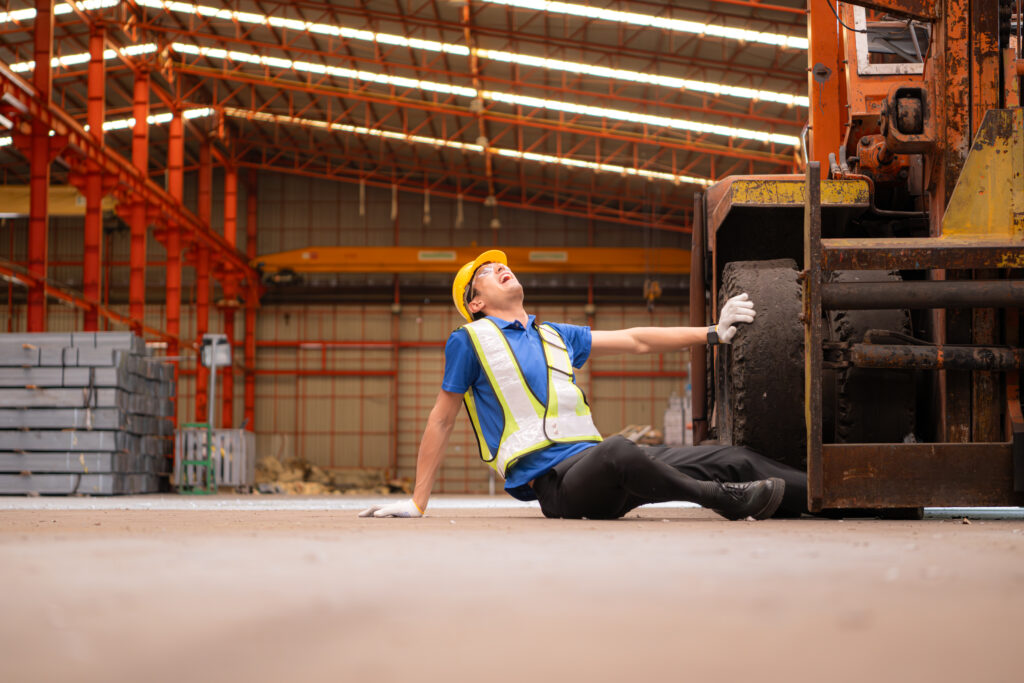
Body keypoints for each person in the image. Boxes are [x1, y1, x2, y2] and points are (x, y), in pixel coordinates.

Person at [359, 250, 808, 521]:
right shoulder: (470, 341)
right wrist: (418, 501)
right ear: (475, 303)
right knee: (620, 451)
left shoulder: (555, 335)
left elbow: (635, 339)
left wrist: (713, 332)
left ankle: (826, 497)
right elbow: (441, 419)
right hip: (560, 488)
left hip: (600, 464)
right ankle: (721, 500)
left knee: (732, 457)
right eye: (486, 272)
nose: (501, 269)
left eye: (503, 265)